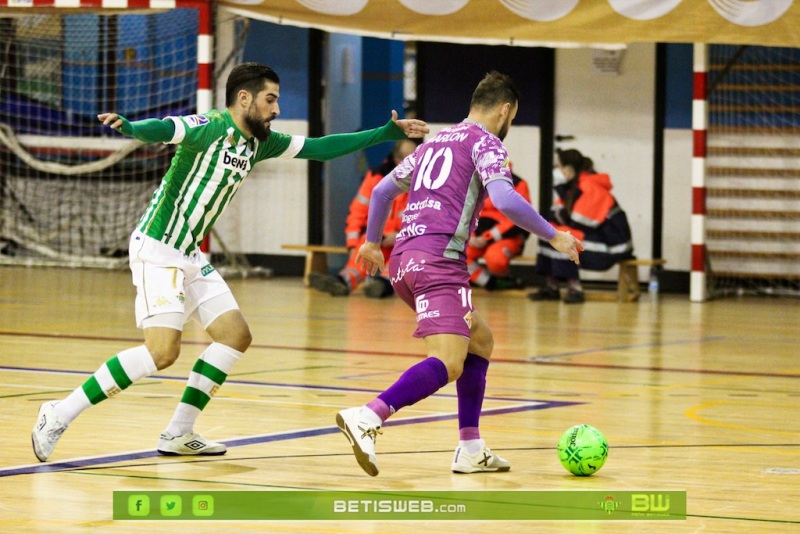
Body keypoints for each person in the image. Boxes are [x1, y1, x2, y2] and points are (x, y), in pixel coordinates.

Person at [30, 62, 428, 462]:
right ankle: (58, 414)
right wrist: (133, 128)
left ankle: (178, 433)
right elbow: (167, 128)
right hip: (158, 247)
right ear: (244, 98)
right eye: (270, 99)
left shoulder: (261, 142)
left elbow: (321, 148)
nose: (275, 109)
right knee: (162, 352)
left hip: (188, 253)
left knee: (235, 335)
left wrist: (384, 133)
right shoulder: (210, 126)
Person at [334, 71, 583, 476]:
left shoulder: (435, 142)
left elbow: (382, 192)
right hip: (438, 263)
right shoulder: (485, 141)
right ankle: (368, 416)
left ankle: (470, 447)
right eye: (513, 117)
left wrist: (371, 242)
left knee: (479, 341)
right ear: (505, 110)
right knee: (448, 362)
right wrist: (554, 236)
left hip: (403, 262)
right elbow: (504, 198)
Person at [308, 139, 417, 298]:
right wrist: (353, 245)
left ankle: (383, 284)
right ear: (397, 161)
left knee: (403, 253)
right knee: (364, 247)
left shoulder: (426, 182)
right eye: (409, 158)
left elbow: (428, 220)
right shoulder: (375, 177)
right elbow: (357, 213)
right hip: (379, 238)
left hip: (406, 239)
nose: (415, 162)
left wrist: (400, 236)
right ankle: (343, 281)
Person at [528, 148, 634, 304]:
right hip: (598, 238)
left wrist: (558, 220)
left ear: (569, 169)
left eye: (559, 166)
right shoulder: (573, 186)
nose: (557, 171)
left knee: (561, 237)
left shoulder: (590, 186)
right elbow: (555, 214)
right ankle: (552, 287)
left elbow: (580, 222)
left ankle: (575, 288)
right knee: (548, 234)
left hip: (613, 246)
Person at [466, 166, 530, 290]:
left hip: (509, 237)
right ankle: (490, 282)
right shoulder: (477, 182)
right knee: (455, 253)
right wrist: (470, 235)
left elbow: (519, 218)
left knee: (495, 258)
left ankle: (503, 279)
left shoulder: (518, 184)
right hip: (479, 237)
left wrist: (488, 237)